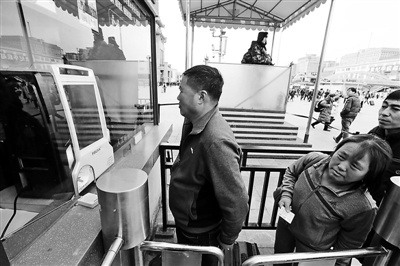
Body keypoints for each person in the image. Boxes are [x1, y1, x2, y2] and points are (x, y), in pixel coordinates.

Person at [169, 65, 249, 265]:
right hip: (188, 225)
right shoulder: (193, 121)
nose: (178, 97)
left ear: (201, 97)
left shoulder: (216, 141)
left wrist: (227, 239)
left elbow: (237, 200)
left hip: (200, 233)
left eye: (181, 90)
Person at [274, 134, 392, 266]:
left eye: (355, 166)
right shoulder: (314, 161)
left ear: (370, 173)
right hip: (285, 227)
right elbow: (292, 171)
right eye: (341, 156)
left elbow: (347, 248)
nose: (341, 166)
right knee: (279, 261)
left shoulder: (362, 207)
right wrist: (286, 194)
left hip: (313, 250)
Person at [361, 89, 400, 266]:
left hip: (391, 225)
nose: (384, 113)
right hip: (363, 214)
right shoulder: (374, 134)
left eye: (395, 109)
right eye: (384, 106)